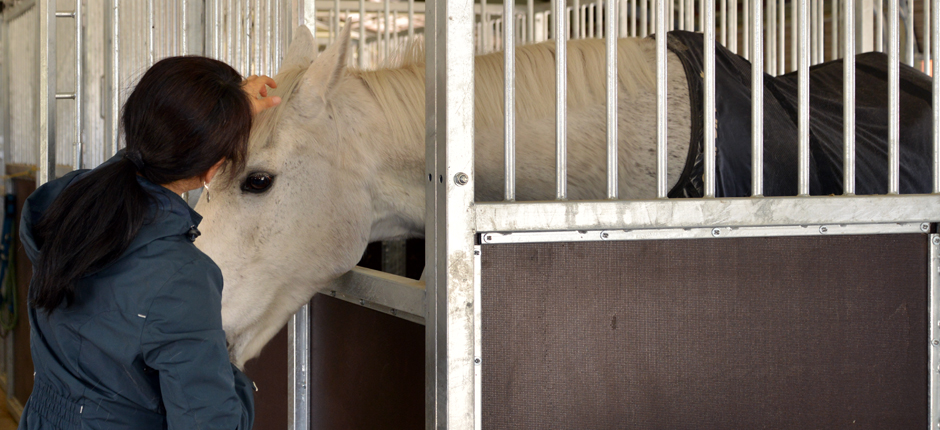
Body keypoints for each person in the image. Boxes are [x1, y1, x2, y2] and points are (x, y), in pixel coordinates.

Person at [16, 56, 280, 430]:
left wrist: (221, 120)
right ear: (212, 170)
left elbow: (139, 158)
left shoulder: (65, 203)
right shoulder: (182, 277)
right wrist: (234, 380)